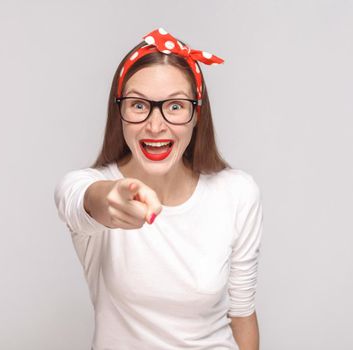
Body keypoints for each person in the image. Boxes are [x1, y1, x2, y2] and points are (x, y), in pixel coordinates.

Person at [54, 27, 263, 350]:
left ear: (197, 114)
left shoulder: (237, 192)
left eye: (175, 106)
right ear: (119, 112)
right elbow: (80, 200)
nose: (155, 124)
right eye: (139, 105)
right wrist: (110, 201)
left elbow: (242, 315)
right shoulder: (90, 185)